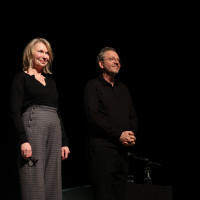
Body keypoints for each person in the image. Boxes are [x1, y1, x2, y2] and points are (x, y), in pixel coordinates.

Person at [9, 38, 70, 200]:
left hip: (54, 130)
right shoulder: (21, 78)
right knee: (33, 179)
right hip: (34, 127)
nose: (45, 56)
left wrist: (64, 141)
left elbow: (58, 113)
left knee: (53, 179)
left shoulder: (51, 83)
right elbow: (14, 112)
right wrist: (23, 140)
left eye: (47, 53)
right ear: (30, 53)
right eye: (41, 51)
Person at [84, 47, 138, 200]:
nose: (117, 62)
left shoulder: (124, 89)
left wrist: (131, 135)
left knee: (120, 194)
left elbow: (132, 116)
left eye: (118, 60)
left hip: (122, 150)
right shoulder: (93, 86)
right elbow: (93, 117)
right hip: (102, 149)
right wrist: (118, 134)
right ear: (101, 64)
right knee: (104, 194)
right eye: (112, 59)